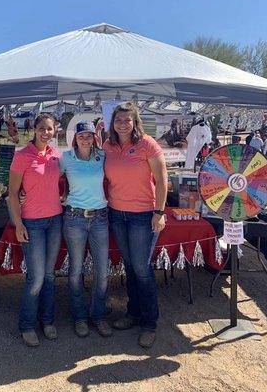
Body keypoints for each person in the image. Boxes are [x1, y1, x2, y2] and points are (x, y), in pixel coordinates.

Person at [103, 102, 168, 349]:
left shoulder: (148, 144)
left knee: (142, 268)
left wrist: (159, 212)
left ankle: (149, 324)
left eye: (127, 120)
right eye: (118, 119)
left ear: (135, 121)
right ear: (113, 122)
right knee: (130, 267)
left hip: (143, 215)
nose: (122, 123)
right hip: (117, 213)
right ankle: (133, 313)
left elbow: (162, 181)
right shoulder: (107, 145)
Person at [9, 113, 62, 347]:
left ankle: (48, 321)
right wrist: (18, 223)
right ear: (34, 130)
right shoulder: (22, 156)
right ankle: (27, 325)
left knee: (50, 275)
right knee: (36, 277)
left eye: (49, 129)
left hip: (55, 221)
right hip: (32, 223)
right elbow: (12, 193)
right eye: (42, 128)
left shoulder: (57, 155)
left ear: (55, 130)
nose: (45, 132)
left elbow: (63, 182)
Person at [60, 121, 112, 338]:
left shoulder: (102, 156)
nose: (85, 139)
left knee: (102, 272)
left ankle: (98, 316)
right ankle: (80, 317)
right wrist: (23, 192)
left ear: (94, 137)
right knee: (75, 271)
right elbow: (46, 178)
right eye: (81, 135)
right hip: (74, 218)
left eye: (89, 135)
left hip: (100, 217)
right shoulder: (66, 158)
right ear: (75, 137)